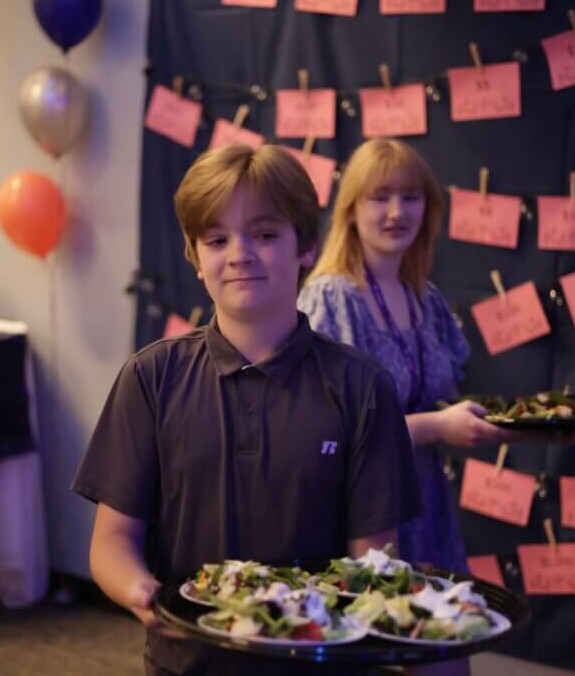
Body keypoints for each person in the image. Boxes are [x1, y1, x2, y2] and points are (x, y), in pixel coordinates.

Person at [72, 144, 420, 676]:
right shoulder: (150, 378)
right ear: (194, 256)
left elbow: (374, 559)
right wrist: (142, 591)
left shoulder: (364, 387)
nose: (239, 254)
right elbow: (113, 540)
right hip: (188, 662)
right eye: (216, 239)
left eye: (264, 234)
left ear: (305, 246)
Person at [299, 138, 518, 577]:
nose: (398, 212)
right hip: (358, 513)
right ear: (351, 211)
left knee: (442, 637)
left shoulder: (427, 299)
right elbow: (324, 433)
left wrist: (529, 429)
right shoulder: (332, 297)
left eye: (410, 197)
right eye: (380, 198)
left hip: (426, 505)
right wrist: (439, 427)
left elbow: (446, 401)